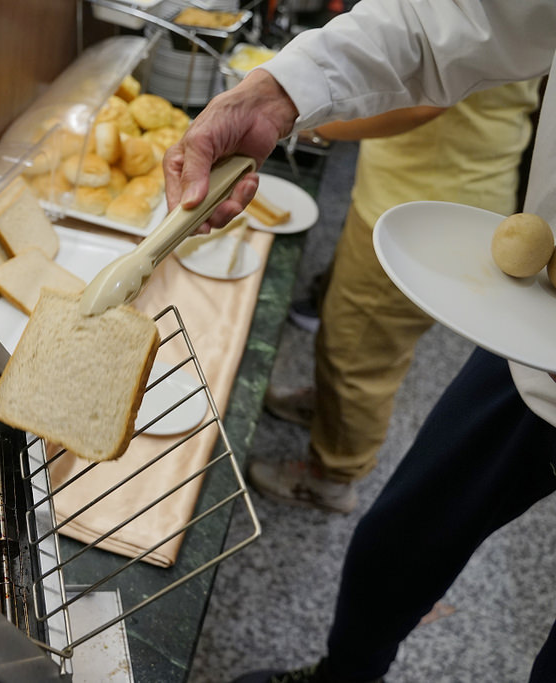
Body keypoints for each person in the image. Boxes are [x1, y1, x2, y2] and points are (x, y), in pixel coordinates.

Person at [161, 1, 556, 681]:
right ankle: (345, 674)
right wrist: (279, 91)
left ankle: (333, 475)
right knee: (400, 539)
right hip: (540, 332)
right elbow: (471, 15)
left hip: (471, 230)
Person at [252, 81, 540, 514]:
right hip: (416, 191)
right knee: (349, 332)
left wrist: (311, 126)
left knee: (359, 356)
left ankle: (332, 477)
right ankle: (329, 408)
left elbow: (425, 102)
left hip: (423, 210)